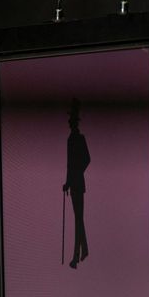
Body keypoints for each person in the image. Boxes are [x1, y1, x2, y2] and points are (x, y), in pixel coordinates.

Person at [63, 98, 90, 269]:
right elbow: (69, 165)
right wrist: (67, 183)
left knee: (78, 218)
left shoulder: (79, 139)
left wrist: (76, 174)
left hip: (78, 184)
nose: (71, 125)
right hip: (73, 185)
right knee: (78, 218)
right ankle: (85, 250)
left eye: (72, 122)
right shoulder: (69, 140)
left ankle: (76, 257)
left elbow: (86, 159)